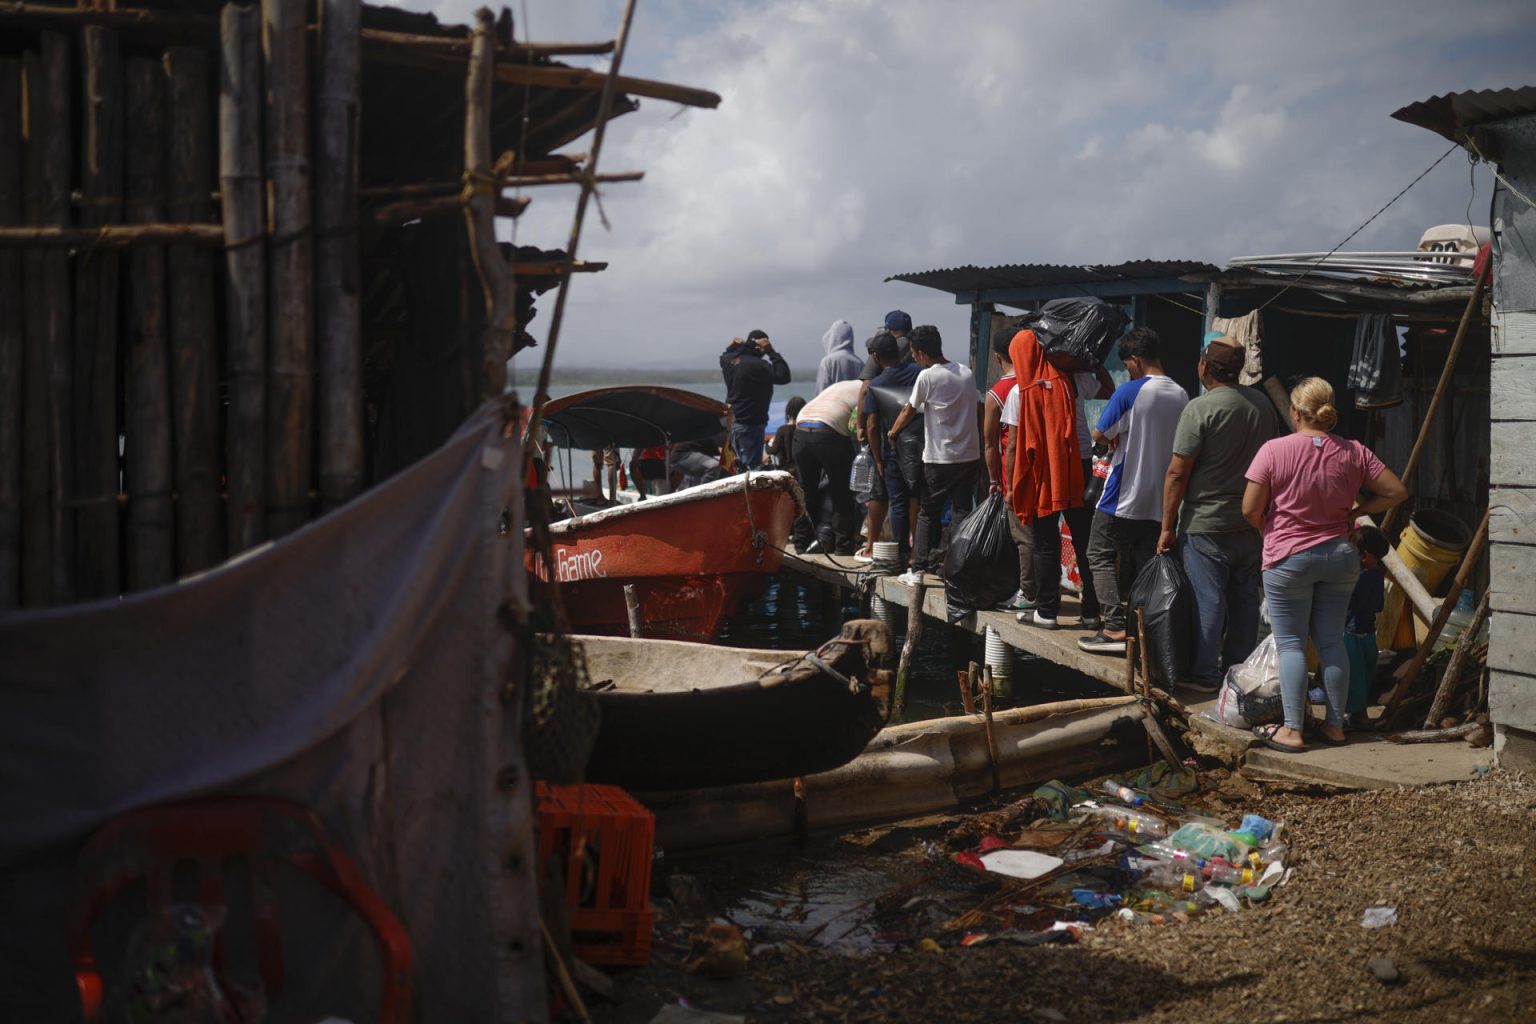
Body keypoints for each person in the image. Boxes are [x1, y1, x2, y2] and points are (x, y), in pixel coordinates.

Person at [1243, 377, 1406, 753]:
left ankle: (1293, 730)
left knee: (1292, 645)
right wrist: (1360, 512)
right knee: (1332, 641)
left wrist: (1269, 528)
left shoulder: (1273, 450)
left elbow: (1250, 508)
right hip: (1340, 556)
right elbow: (1397, 491)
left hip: (1288, 557)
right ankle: (1335, 726)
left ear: (1295, 412)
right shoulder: (1353, 451)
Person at [1157, 337, 1279, 690]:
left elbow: (1178, 473)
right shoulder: (1263, 406)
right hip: (1249, 521)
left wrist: (1167, 527)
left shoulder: (1200, 409)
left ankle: (1205, 674)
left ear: (1204, 367)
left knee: (1208, 599)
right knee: (1243, 599)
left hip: (1205, 524)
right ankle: (1237, 672)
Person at [1079, 328, 1188, 654]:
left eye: (1127, 364)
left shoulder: (1131, 391)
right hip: (1160, 500)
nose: (1127, 370)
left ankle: (1112, 627)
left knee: (1097, 554)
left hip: (1124, 493)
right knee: (1145, 565)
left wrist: (1113, 435)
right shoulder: (1181, 394)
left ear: (1136, 361)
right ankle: (1146, 630)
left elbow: (1100, 433)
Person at [1001, 330, 1101, 630]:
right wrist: (1087, 362)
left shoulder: (1021, 390)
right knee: (1085, 541)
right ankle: (1092, 613)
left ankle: (1046, 612)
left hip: (1043, 470)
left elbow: (1014, 446)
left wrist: (1010, 486)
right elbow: (1105, 387)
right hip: (1079, 465)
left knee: (1046, 542)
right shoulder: (1072, 379)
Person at [887, 325, 980, 583]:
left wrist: (893, 432)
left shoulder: (928, 377)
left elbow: (908, 409)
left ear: (922, 352)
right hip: (969, 456)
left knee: (928, 512)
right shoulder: (966, 373)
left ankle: (918, 570)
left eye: (914, 354)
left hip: (940, 458)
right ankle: (958, 568)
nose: (913, 358)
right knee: (961, 511)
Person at [983, 323, 1036, 611]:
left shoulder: (999, 393)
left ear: (997, 357)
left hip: (1014, 474)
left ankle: (1028, 593)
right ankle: (1038, 590)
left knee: (1023, 536)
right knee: (1041, 535)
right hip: (1042, 473)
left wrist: (994, 480)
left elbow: (991, 445)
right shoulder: (1038, 383)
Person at [862, 332, 923, 565]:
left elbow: (872, 424)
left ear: (876, 357)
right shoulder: (918, 372)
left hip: (893, 447)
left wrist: (878, 458)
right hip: (920, 446)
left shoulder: (877, 384)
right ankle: (918, 552)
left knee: (898, 502)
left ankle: (900, 555)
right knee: (916, 499)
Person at [793, 380, 863, 554]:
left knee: (805, 492)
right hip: (828, 432)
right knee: (841, 493)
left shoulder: (844, 385)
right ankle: (843, 547)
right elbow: (865, 427)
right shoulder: (869, 389)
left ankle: (800, 543)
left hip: (801, 428)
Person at [719, 329, 790, 469]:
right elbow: (784, 376)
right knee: (751, 471)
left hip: (732, 423)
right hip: (751, 425)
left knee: (736, 467)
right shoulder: (760, 366)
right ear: (760, 346)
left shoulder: (729, 361)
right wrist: (771, 352)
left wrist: (733, 346)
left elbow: (723, 357)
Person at [1344, 524, 1389, 731]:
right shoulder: (1378, 576)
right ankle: (1359, 714)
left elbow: (1347, 604)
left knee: (1354, 676)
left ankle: (1358, 715)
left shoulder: (1355, 578)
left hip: (1352, 633)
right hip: (1369, 634)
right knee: (1364, 674)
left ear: (1363, 556)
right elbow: (1379, 606)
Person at [816, 320, 863, 390]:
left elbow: (821, 391)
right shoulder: (860, 363)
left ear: (833, 337)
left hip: (832, 400)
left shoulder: (827, 362)